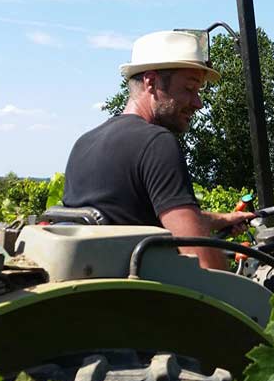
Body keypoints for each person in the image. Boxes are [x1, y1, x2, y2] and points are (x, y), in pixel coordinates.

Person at [63, 30, 254, 270]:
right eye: (189, 89)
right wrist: (236, 287)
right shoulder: (156, 143)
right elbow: (203, 262)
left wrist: (223, 219)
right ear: (151, 82)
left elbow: (136, 215)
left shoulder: (85, 143)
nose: (198, 103)